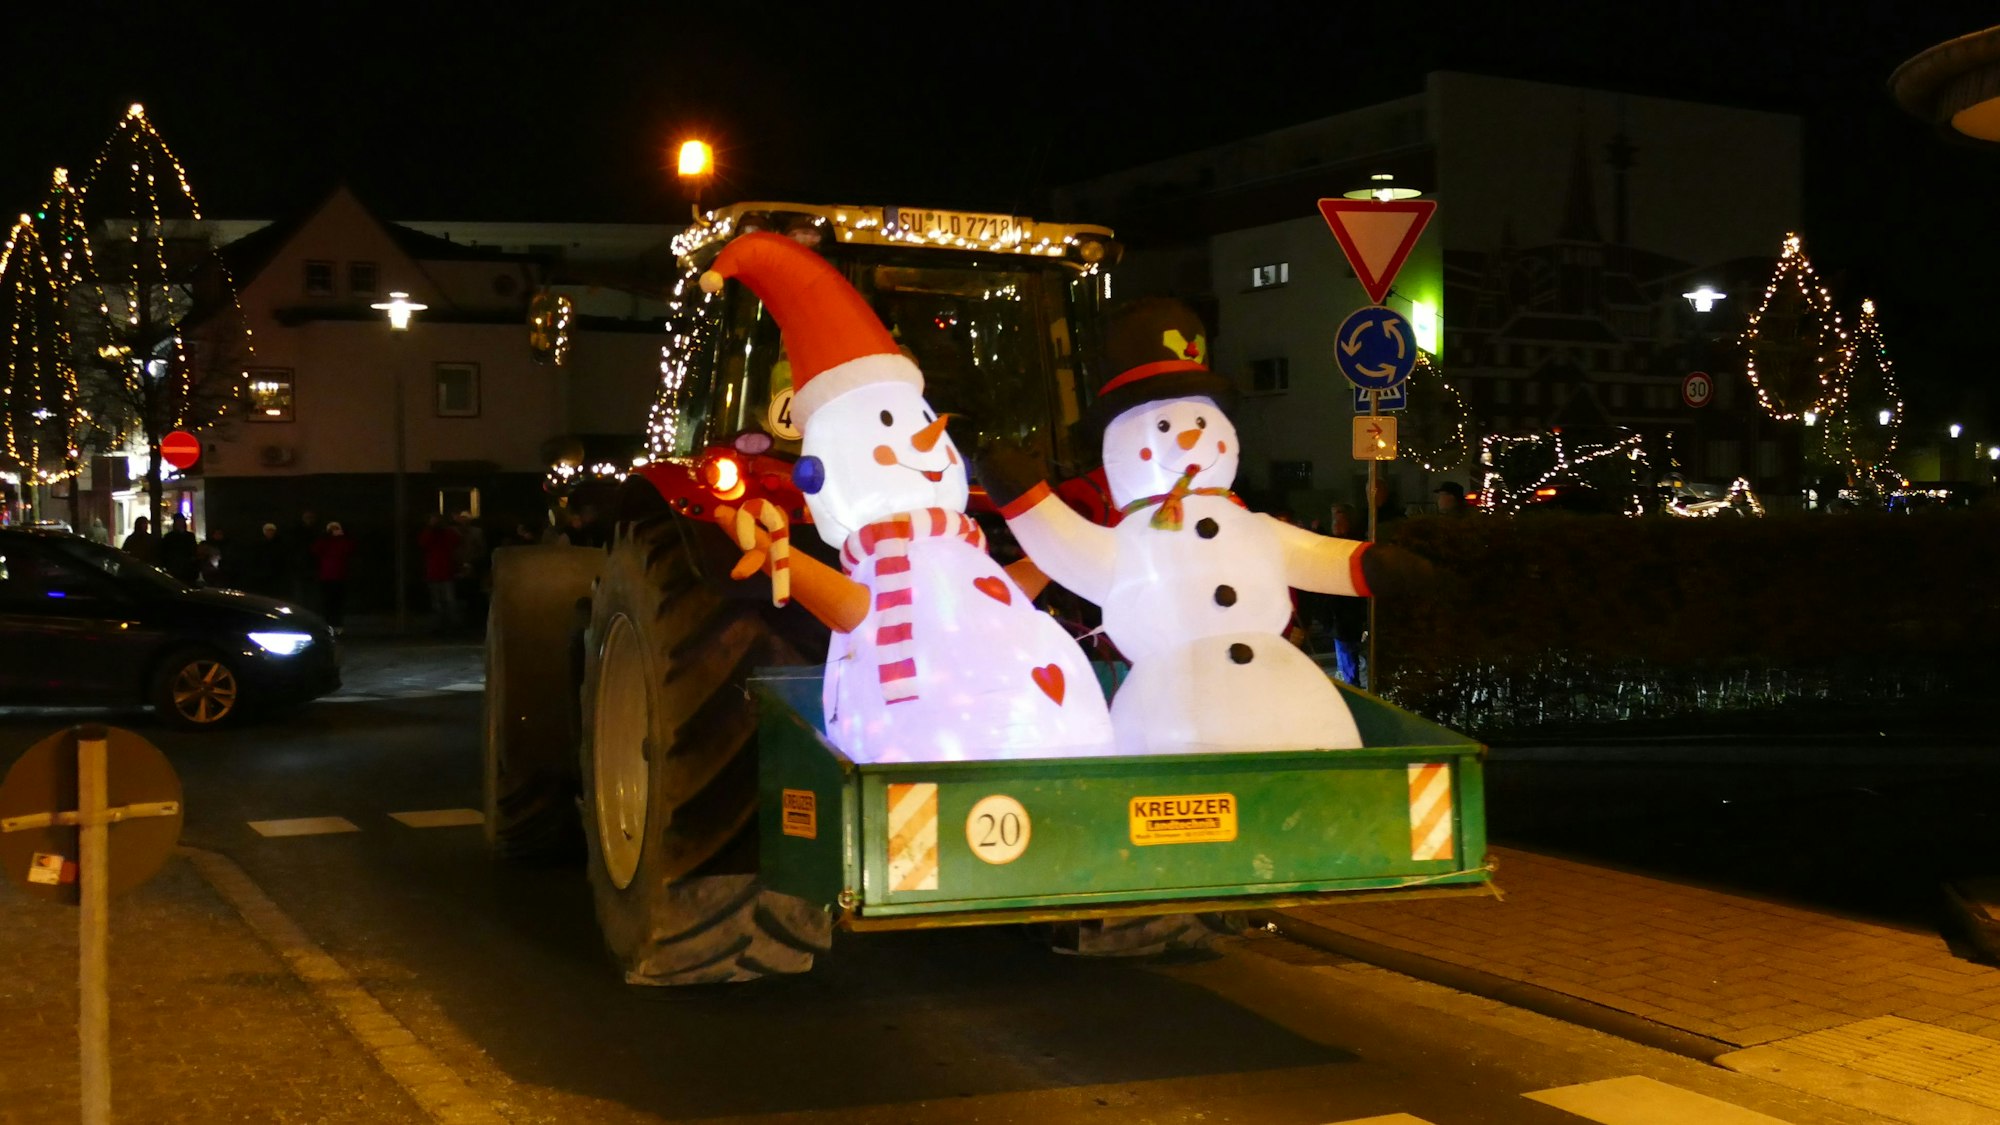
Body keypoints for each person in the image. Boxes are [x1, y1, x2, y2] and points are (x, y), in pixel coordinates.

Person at [1325, 503, 1371, 688]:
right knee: (1345, 650)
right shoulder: (1334, 544)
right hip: (1340, 608)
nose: (1335, 520)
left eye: (1339, 514)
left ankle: (1352, 685)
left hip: (1348, 606)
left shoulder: (1352, 544)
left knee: (1347, 648)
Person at [312, 521, 356, 634]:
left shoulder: (344, 542)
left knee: (338, 603)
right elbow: (316, 550)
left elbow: (350, 550)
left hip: (340, 576)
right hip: (326, 577)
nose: (334, 531)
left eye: (336, 528)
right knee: (327, 602)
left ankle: (337, 624)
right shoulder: (324, 542)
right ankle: (328, 624)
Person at [418, 513, 461, 630]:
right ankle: (441, 624)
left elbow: (456, 541)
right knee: (438, 601)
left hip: (445, 571)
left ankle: (450, 624)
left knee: (448, 601)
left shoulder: (447, 533)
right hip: (436, 571)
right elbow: (423, 543)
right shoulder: (430, 534)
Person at [452, 511, 489, 629]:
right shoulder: (453, 532)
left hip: (472, 566)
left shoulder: (477, 532)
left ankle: (473, 620)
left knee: (473, 593)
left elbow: (481, 549)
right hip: (456, 566)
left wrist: (472, 563)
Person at [157, 514, 199, 582]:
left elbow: (193, 550)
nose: (179, 523)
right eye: (178, 521)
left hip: (186, 567)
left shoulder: (189, 536)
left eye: (181, 521)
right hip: (174, 567)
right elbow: (164, 552)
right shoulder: (169, 537)